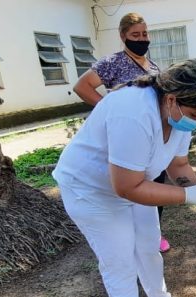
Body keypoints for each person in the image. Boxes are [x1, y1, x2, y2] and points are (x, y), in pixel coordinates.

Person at [53, 59, 196, 297]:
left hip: (137, 182)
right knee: (119, 257)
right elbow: (126, 187)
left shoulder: (179, 115)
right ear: (172, 98)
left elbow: (179, 164)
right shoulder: (133, 112)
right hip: (91, 189)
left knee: (148, 245)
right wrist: (187, 196)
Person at [73, 12, 172, 253]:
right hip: (126, 135)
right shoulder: (112, 62)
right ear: (123, 36)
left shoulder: (154, 65)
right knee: (130, 182)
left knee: (156, 180)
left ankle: (152, 231)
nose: (141, 39)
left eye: (145, 34)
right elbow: (81, 86)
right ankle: (130, 236)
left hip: (152, 133)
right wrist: (108, 109)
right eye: (135, 35)